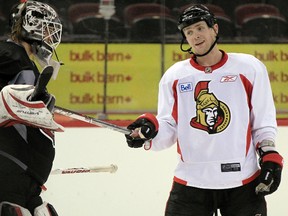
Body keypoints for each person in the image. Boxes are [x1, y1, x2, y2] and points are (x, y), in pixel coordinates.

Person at [125, 4, 284, 216]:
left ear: (215, 29)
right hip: (192, 181)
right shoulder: (175, 76)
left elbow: (263, 123)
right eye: (189, 32)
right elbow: (169, 128)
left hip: (242, 181)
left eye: (200, 28)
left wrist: (269, 154)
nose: (195, 36)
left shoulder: (249, 68)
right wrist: (147, 134)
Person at [0, 1, 64, 215]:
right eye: (47, 29)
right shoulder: (14, 59)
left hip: (23, 175)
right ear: (31, 26)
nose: (51, 37)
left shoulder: (17, 60)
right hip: (12, 173)